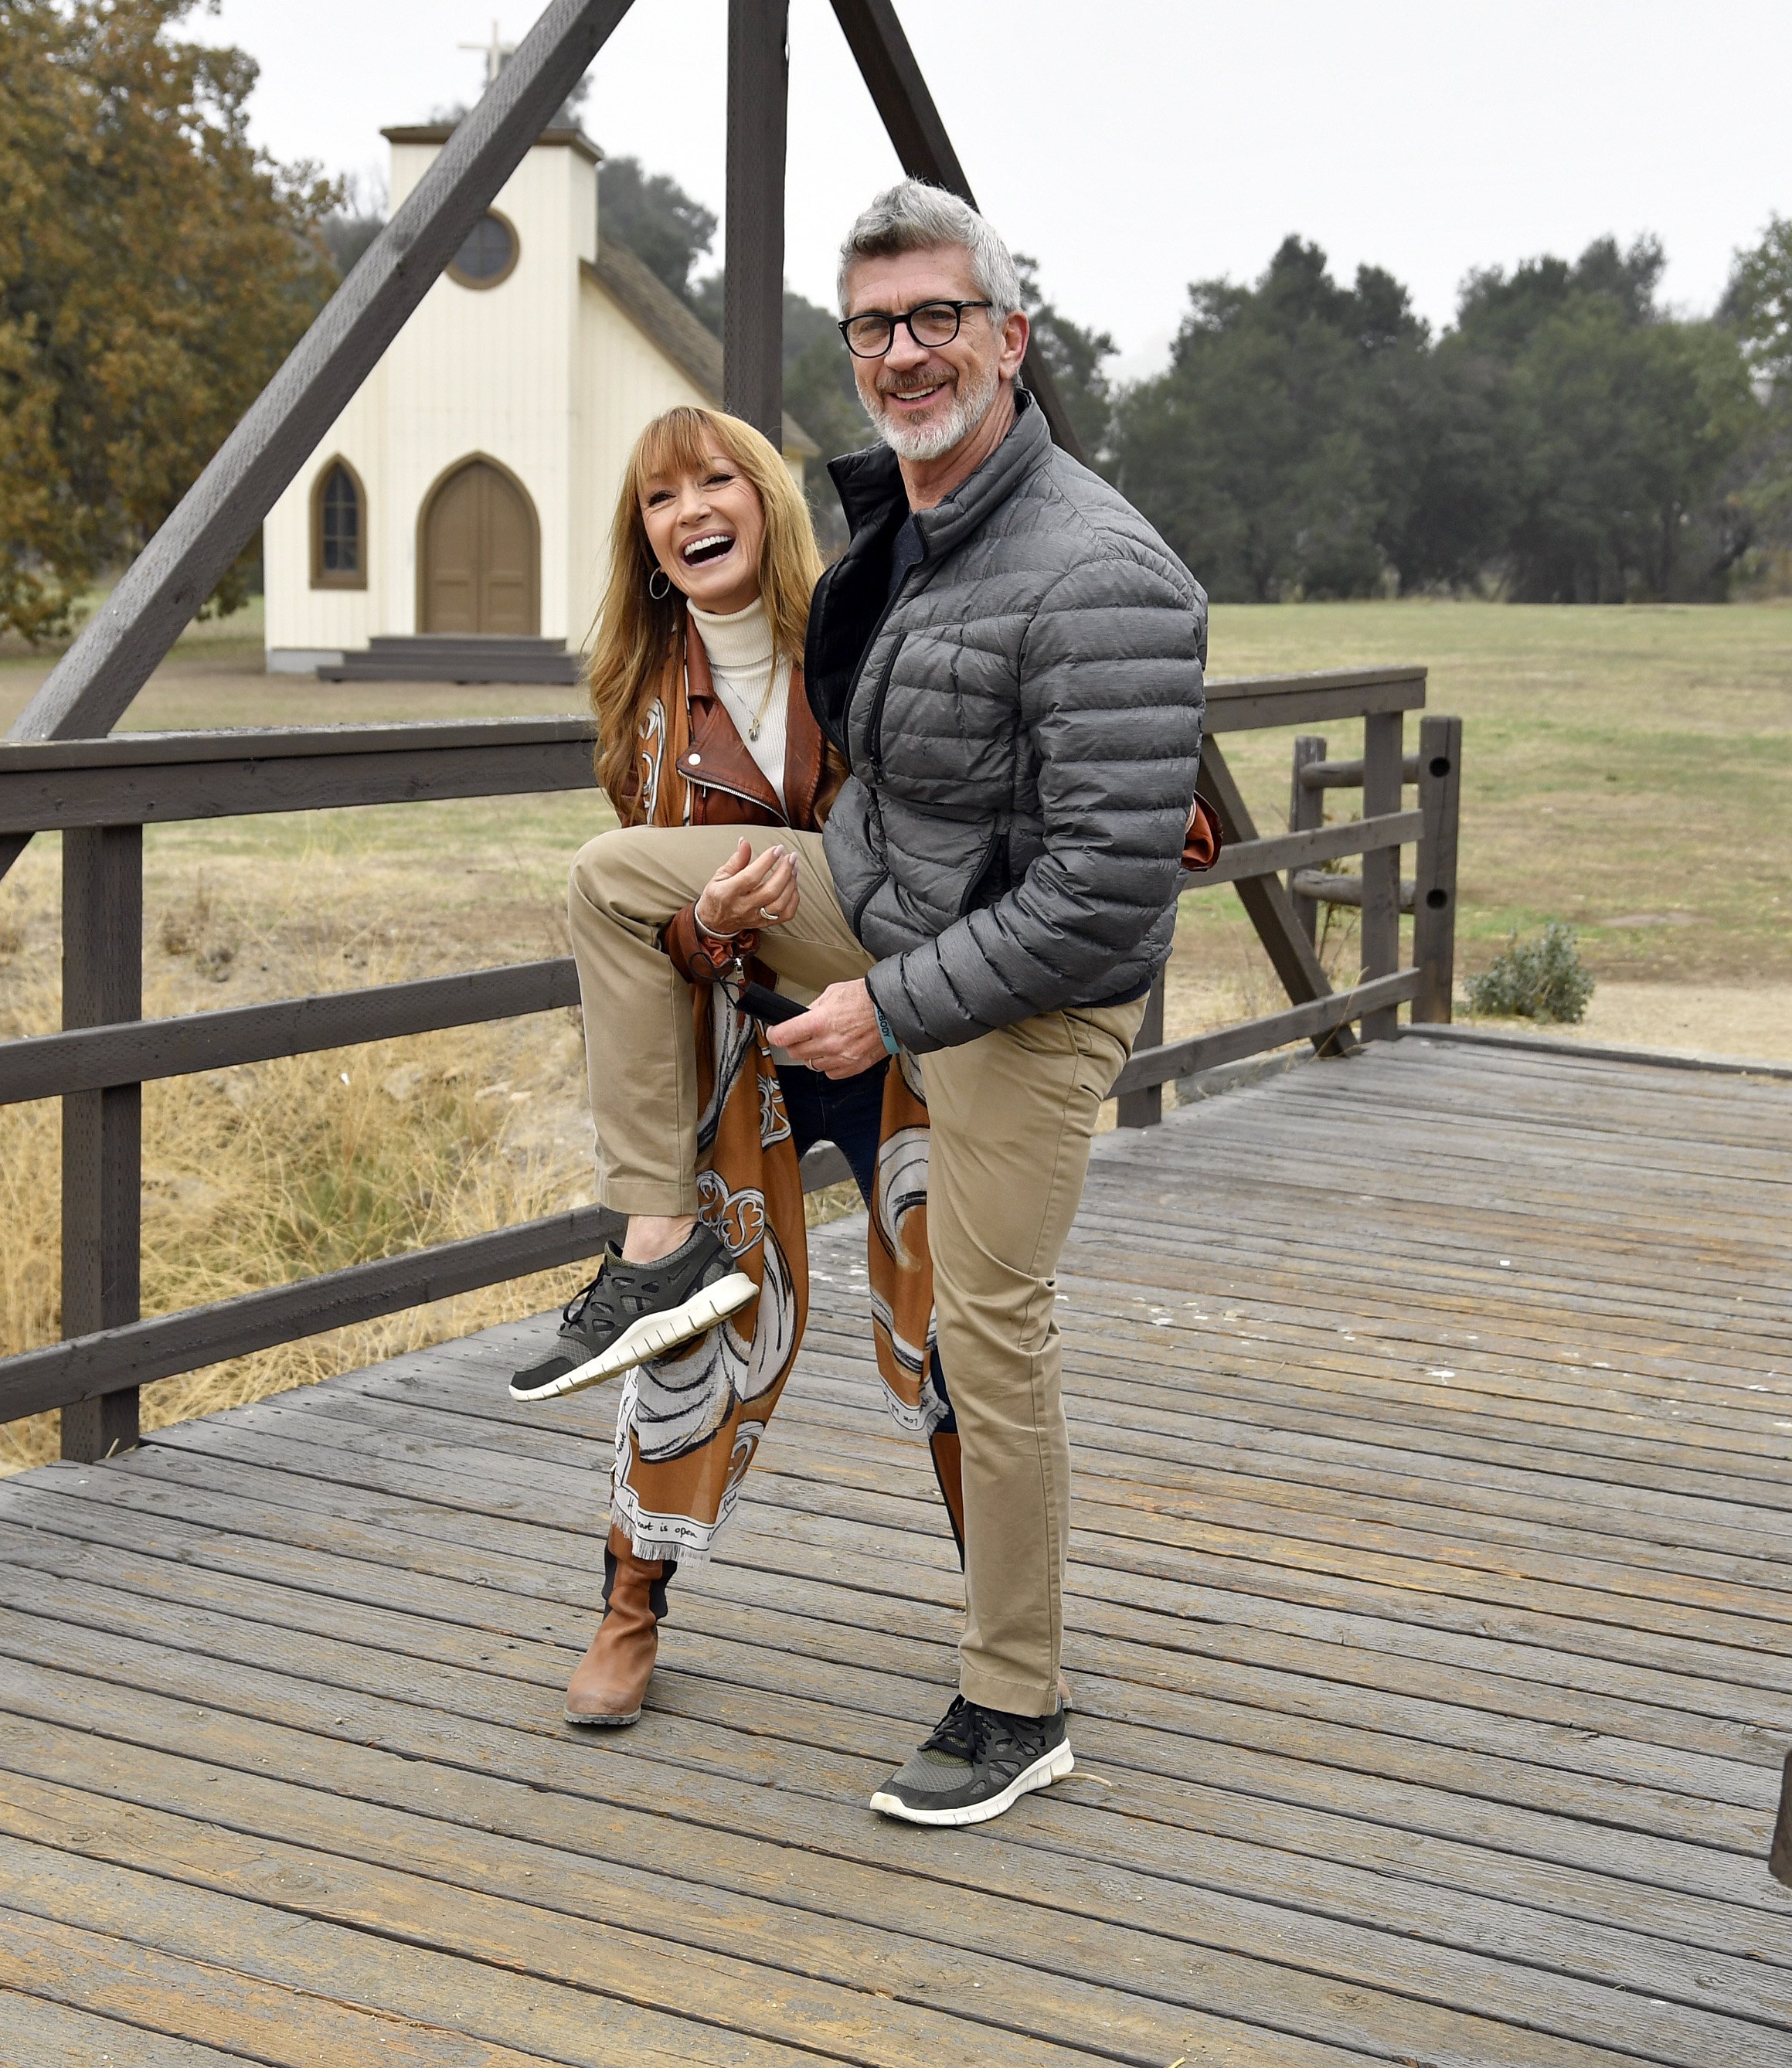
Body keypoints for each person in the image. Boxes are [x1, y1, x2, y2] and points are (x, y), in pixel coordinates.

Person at [522, 180, 1209, 1828]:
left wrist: (889, 1007)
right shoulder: (905, 527)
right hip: (890, 925)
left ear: (1010, 338)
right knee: (621, 875)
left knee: (987, 1331)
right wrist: (769, 887)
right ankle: (657, 1244)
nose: (906, 353)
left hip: (1029, 1003)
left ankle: (1014, 1700)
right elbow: (901, 793)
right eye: (877, 326)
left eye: (939, 319)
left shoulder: (1105, 570)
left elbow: (1105, 894)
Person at [515, 403, 975, 1730]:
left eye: (718, 480)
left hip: (894, 1019)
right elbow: (645, 915)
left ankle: (999, 1611)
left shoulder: (857, 629)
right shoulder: (640, 691)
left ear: (766, 501)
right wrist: (703, 926)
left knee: (957, 1320)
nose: (691, 510)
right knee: (690, 1318)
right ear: (646, 540)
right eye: (661, 499)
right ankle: (628, 1606)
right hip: (747, 1038)